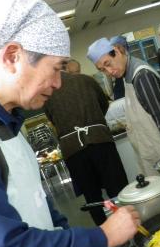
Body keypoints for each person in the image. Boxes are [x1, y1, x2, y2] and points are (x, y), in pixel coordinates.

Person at [0, 0, 139, 247]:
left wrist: (69, 241)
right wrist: (101, 236)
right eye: (56, 68)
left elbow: (32, 198)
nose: (59, 83)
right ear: (12, 56)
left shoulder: (4, 116)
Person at [44, 70, 128, 226]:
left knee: (92, 197)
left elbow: (52, 118)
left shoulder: (48, 91)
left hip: (73, 149)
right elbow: (103, 104)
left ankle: (107, 235)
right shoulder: (86, 80)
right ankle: (130, 226)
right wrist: (94, 119)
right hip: (99, 139)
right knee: (117, 188)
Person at [87, 37, 160, 176]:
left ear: (117, 51)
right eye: (102, 69)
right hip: (150, 151)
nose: (109, 71)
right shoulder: (126, 75)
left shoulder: (142, 75)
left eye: (108, 63)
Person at [110, 35, 127, 100]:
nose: (117, 50)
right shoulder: (117, 65)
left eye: (118, 47)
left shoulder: (131, 65)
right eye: (114, 48)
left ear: (125, 47)